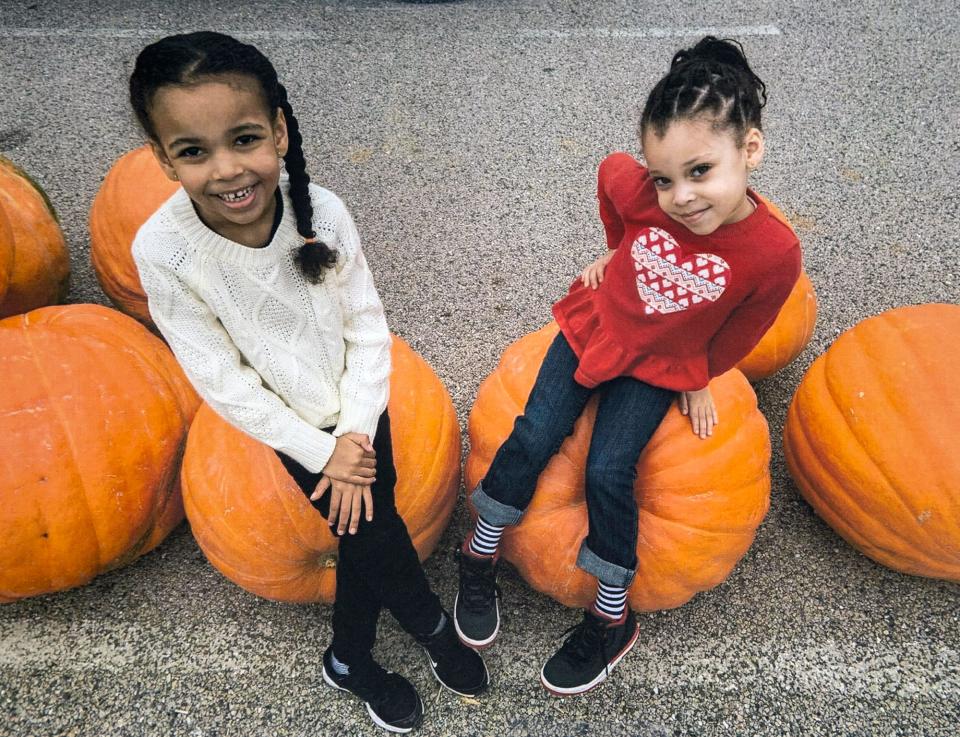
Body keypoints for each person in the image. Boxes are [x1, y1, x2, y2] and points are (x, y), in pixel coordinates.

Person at [128, 31, 487, 734]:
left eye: (245, 138)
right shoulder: (163, 251)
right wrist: (323, 452)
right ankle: (430, 626)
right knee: (370, 529)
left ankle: (348, 658)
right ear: (162, 158)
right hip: (291, 427)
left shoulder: (322, 214)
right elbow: (219, 377)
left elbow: (365, 327)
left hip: (359, 405)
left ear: (280, 131)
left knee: (363, 535)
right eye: (194, 151)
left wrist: (354, 431)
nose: (228, 169)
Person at [454, 36, 801, 696]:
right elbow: (614, 185)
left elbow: (746, 330)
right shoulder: (634, 184)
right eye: (665, 177)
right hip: (597, 326)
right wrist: (619, 251)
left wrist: (699, 372)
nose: (680, 195)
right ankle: (480, 549)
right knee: (533, 433)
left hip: (661, 361)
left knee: (611, 470)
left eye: (701, 171)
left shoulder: (773, 252)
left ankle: (611, 615)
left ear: (749, 149)